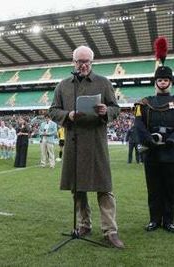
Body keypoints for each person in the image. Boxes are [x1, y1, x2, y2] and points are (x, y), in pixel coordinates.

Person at [49, 45, 124, 249]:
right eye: (79, 62)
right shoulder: (63, 85)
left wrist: (105, 111)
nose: (83, 65)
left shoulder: (104, 82)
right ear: (73, 62)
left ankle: (110, 231)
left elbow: (116, 109)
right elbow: (53, 111)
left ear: (92, 62)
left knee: (104, 187)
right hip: (74, 142)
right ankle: (84, 224)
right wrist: (68, 116)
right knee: (77, 188)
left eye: (87, 62)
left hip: (96, 142)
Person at [134, 37, 174, 234]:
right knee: (153, 190)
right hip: (151, 153)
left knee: (170, 190)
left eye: (166, 79)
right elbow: (138, 123)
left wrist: (173, 139)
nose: (162, 82)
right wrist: (148, 139)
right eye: (159, 79)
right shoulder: (144, 102)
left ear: (170, 82)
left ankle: (169, 221)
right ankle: (154, 220)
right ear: (156, 82)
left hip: (172, 152)